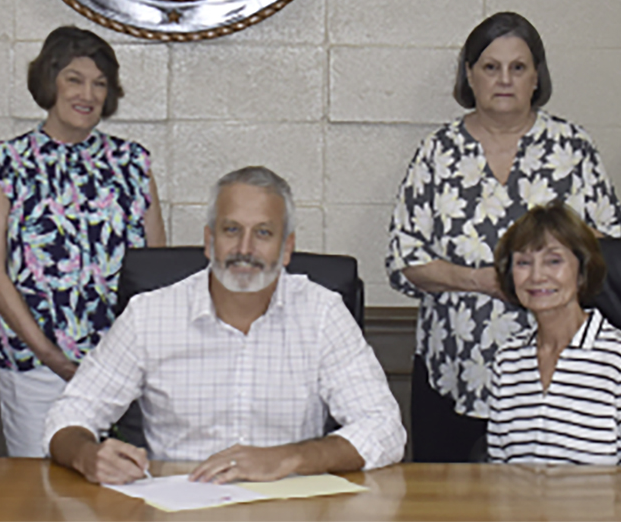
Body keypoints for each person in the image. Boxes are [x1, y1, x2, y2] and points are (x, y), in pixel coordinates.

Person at [45, 166, 406, 485]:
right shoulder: (149, 315)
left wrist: (287, 458)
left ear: (287, 248)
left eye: (263, 233)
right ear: (209, 241)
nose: (244, 248)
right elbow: (69, 415)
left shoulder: (323, 313)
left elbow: (384, 428)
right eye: (231, 230)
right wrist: (87, 455)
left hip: (288, 509)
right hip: (179, 510)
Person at [386, 11, 621, 462]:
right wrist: (478, 280)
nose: (504, 79)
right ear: (469, 75)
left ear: (536, 77)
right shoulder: (438, 151)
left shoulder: (572, 147)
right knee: (444, 500)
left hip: (560, 374)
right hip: (452, 370)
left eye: (518, 67)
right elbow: (404, 259)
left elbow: (614, 251)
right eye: (490, 67)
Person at [0, 26, 166, 458]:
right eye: (74, 79)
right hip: (35, 368)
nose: (88, 94)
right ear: (50, 82)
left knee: (120, 488)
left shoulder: (133, 163)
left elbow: (153, 273)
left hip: (122, 371)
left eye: (100, 83)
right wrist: (55, 359)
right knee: (39, 491)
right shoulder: (7, 162)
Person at [488, 202, 621, 465]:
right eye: (523, 263)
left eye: (554, 261)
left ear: (582, 270)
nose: (537, 276)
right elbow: (499, 473)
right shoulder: (508, 361)